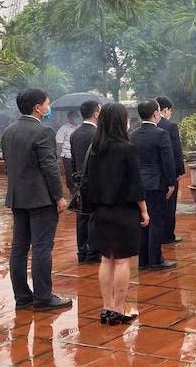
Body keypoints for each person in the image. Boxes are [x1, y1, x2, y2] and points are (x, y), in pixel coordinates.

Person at [1, 88, 71, 311]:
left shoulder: (8, 132)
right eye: (47, 103)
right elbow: (50, 168)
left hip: (17, 197)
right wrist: (59, 196)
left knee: (19, 248)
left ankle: (22, 297)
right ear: (37, 107)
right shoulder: (43, 132)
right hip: (41, 199)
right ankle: (43, 297)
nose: (48, 107)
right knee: (41, 247)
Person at [86, 103, 150, 325]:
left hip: (100, 211)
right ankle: (118, 310)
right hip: (124, 211)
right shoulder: (127, 148)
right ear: (122, 122)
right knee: (123, 261)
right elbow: (135, 184)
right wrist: (144, 210)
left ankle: (106, 308)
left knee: (106, 259)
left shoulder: (94, 148)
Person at [130, 100, 176, 270]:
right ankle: (156, 260)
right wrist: (171, 183)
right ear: (156, 113)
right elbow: (168, 160)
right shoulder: (161, 133)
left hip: (138, 184)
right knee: (156, 221)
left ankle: (143, 261)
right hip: (156, 184)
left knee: (143, 221)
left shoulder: (133, 134)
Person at [69, 100, 102, 264]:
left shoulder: (75, 134)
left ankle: (82, 252)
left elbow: (73, 161)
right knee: (94, 217)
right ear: (96, 114)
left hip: (80, 182)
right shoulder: (98, 134)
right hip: (95, 182)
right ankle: (93, 253)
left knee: (81, 218)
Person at [157, 96, 185, 244]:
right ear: (165, 109)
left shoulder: (139, 128)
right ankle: (168, 235)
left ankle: (156, 235)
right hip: (169, 173)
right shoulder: (170, 126)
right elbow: (176, 151)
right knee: (169, 205)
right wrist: (180, 171)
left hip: (152, 176)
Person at [56, 111, 80, 191]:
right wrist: (59, 157)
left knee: (79, 173)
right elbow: (59, 143)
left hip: (78, 155)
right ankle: (72, 190)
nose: (76, 118)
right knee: (70, 174)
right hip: (68, 156)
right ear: (69, 117)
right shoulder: (64, 129)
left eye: (77, 116)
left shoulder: (80, 127)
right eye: (74, 116)